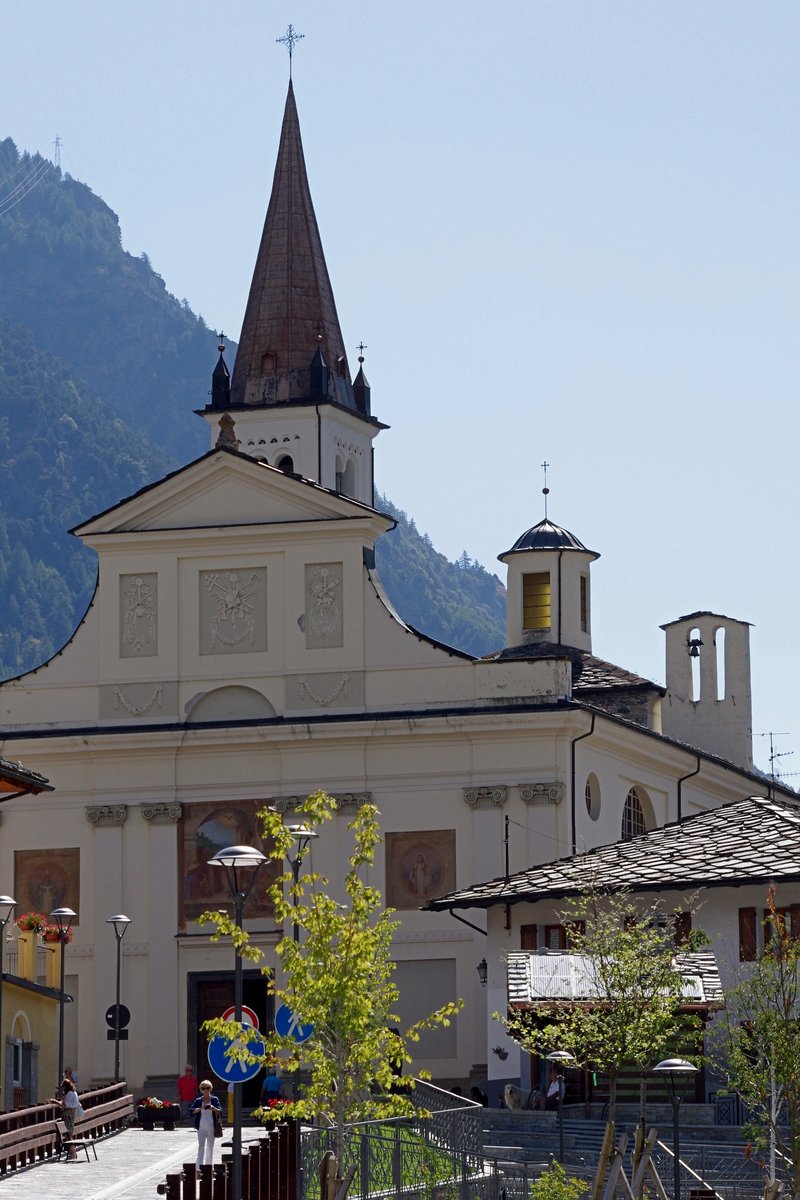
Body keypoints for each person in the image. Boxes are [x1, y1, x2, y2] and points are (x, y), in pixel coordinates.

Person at [190, 1079, 223, 1170]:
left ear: (210, 1089)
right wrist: (200, 1108)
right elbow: (191, 1112)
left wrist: (213, 1108)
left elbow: (220, 1112)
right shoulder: (198, 1100)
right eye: (203, 1088)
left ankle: (208, 1167)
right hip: (201, 1126)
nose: (205, 1090)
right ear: (200, 1090)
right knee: (201, 1146)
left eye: (207, 1088)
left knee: (210, 1147)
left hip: (212, 1126)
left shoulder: (214, 1099)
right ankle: (198, 1168)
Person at [59, 1077, 81, 1160]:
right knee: (69, 1133)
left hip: (68, 1114)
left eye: (63, 1087)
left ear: (66, 1087)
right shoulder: (74, 1093)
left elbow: (65, 1105)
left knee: (68, 1135)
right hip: (72, 1115)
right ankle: (72, 1153)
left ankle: (72, 1152)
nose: (63, 1089)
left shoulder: (69, 1094)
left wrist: (56, 1102)